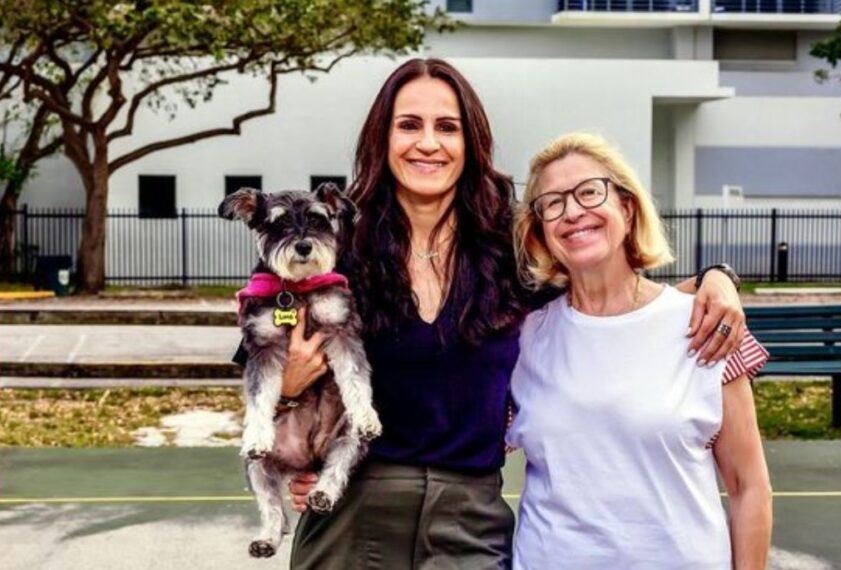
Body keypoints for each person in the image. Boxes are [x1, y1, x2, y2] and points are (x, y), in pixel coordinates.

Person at [239, 58, 747, 569]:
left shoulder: (507, 248)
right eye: (409, 125)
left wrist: (715, 277)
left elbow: (614, 295)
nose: (429, 143)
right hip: (353, 509)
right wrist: (288, 399)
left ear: (471, 142)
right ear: (382, 138)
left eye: (447, 127)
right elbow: (263, 351)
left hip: (471, 518)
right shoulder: (337, 244)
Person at [508, 132, 773, 569]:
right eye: (552, 203)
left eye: (590, 192)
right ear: (540, 232)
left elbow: (749, 487)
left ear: (627, 208)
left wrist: (718, 276)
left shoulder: (707, 322)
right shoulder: (521, 340)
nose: (573, 212)